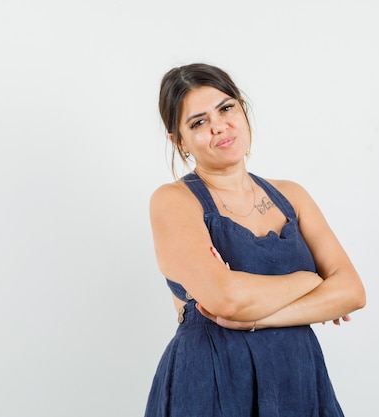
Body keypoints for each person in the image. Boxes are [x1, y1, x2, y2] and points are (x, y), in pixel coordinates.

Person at [144, 63, 366, 417]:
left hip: (299, 378)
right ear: (179, 141)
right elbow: (226, 299)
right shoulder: (173, 201)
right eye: (198, 122)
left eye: (226, 107)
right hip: (214, 379)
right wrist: (310, 282)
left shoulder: (292, 195)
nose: (219, 125)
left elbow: (352, 292)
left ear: (242, 108)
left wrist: (258, 316)